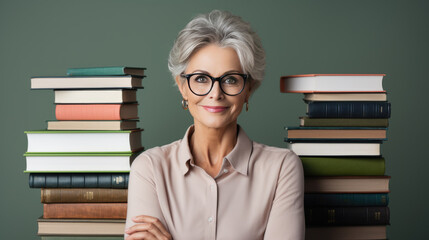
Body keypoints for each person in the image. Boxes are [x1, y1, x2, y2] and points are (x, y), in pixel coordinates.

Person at [124, 10, 304, 240]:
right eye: (201, 79)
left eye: (230, 80)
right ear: (182, 86)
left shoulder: (281, 169)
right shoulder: (149, 169)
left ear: (248, 89)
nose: (215, 93)